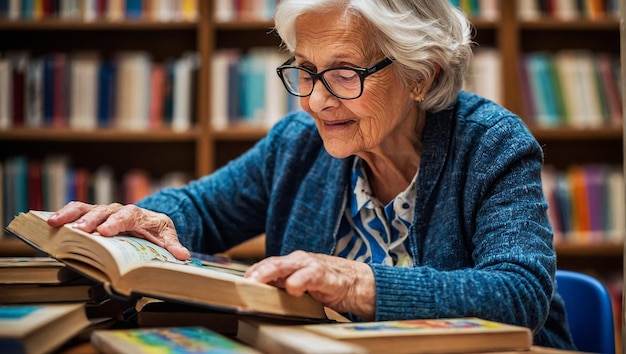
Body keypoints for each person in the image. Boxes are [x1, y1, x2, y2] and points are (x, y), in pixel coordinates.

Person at [48, 0, 575, 349]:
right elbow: (205, 209)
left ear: (421, 75)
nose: (317, 100)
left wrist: (360, 283)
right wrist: (152, 218)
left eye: (344, 73)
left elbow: (518, 293)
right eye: (305, 70)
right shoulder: (298, 144)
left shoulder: (490, 143)